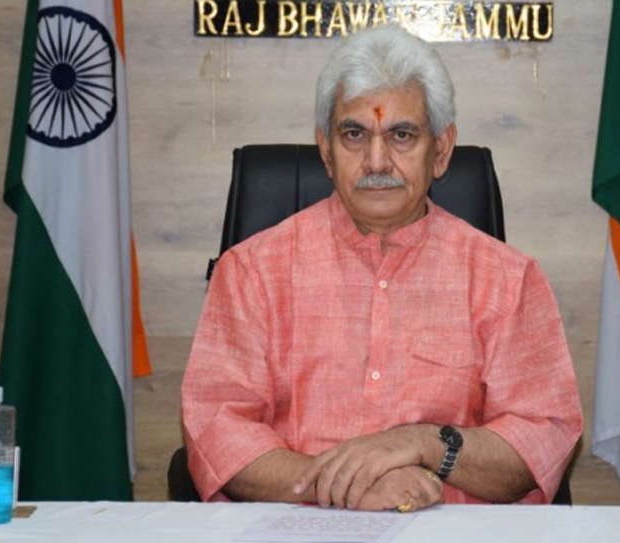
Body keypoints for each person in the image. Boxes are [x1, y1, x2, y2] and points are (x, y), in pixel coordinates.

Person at [181, 24, 582, 512]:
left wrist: (422, 442)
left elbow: (540, 443)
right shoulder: (251, 272)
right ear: (326, 151)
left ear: (440, 151)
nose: (376, 161)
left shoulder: (508, 279)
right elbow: (216, 431)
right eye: (355, 134)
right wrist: (348, 485)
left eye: (401, 135)